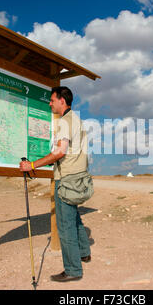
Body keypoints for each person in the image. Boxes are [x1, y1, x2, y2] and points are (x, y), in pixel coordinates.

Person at [19, 86, 91, 283]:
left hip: (67, 179)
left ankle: (73, 270)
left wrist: (32, 165)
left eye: (52, 100)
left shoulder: (65, 122)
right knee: (74, 217)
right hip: (78, 177)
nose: (50, 103)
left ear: (62, 101)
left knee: (65, 225)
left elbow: (60, 152)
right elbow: (69, 151)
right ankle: (84, 253)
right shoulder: (77, 120)